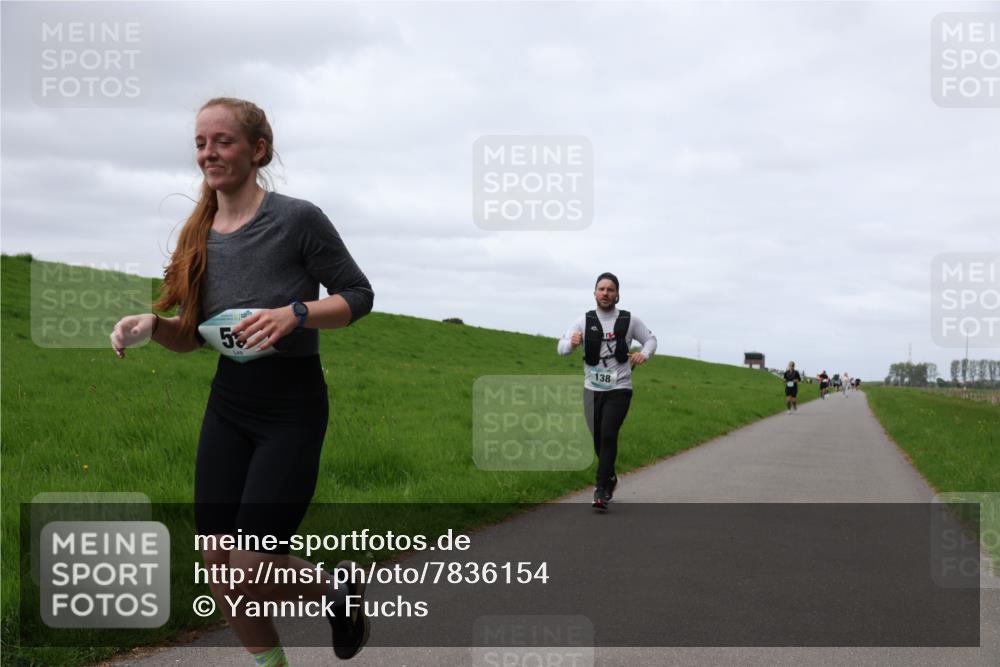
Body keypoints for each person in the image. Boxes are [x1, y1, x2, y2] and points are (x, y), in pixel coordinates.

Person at [110, 98, 374, 665]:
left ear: (258, 151)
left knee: (251, 568)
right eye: (201, 142)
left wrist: (295, 314)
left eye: (222, 141)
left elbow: (359, 296)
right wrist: (151, 325)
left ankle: (338, 592)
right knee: (218, 566)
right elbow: (192, 335)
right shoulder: (197, 235)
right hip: (229, 405)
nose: (208, 152)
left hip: (291, 407)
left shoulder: (298, 219)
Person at [557, 272, 657, 511]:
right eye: (601, 289)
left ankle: (601, 489)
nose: (605, 293)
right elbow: (561, 348)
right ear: (594, 293)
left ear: (617, 294)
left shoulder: (630, 320)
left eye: (610, 290)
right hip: (592, 389)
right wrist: (571, 342)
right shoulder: (583, 320)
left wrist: (645, 353)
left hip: (619, 388)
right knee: (598, 440)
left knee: (608, 434)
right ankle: (610, 477)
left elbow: (651, 340)